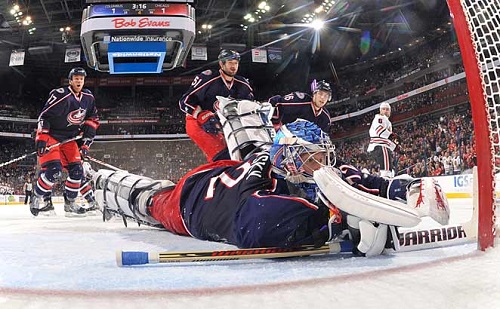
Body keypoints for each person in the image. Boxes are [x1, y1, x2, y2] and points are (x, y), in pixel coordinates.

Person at [93, 120, 449, 256]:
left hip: (225, 171)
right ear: (292, 158)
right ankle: (101, 186)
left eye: (322, 157)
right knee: (148, 200)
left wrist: (399, 189)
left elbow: (342, 175)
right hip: (188, 203)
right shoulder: (260, 204)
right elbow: (256, 228)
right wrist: (335, 222)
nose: (321, 166)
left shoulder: (283, 165)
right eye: (312, 159)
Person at [30, 67, 100, 217]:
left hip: (69, 139)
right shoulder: (61, 95)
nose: (79, 81)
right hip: (52, 137)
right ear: (70, 81)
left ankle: (70, 204)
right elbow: (44, 116)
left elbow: (93, 119)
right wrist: (41, 138)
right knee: (54, 171)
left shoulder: (89, 97)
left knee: (77, 172)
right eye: (76, 78)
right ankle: (37, 196)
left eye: (81, 79)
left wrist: (86, 143)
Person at [179, 49, 254, 162]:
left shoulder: (243, 84)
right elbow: (184, 101)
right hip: (198, 123)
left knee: (244, 155)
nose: (233, 66)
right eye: (230, 63)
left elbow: (250, 106)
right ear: (221, 64)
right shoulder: (208, 77)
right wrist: (200, 114)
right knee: (224, 158)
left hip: (225, 125)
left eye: (236, 63)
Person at [268, 80, 332, 132]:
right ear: (314, 94)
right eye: (320, 94)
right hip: (282, 135)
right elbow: (276, 101)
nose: (323, 97)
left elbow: (322, 138)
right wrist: (275, 122)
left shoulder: (325, 119)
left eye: (326, 96)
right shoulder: (300, 101)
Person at [367, 102, 398, 178]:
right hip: (381, 146)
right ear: (380, 110)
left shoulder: (387, 121)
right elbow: (379, 130)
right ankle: (385, 182)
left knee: (388, 168)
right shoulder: (380, 118)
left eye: (387, 109)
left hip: (383, 146)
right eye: (383, 109)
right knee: (386, 170)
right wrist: (392, 136)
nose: (385, 111)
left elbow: (387, 138)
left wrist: (394, 146)